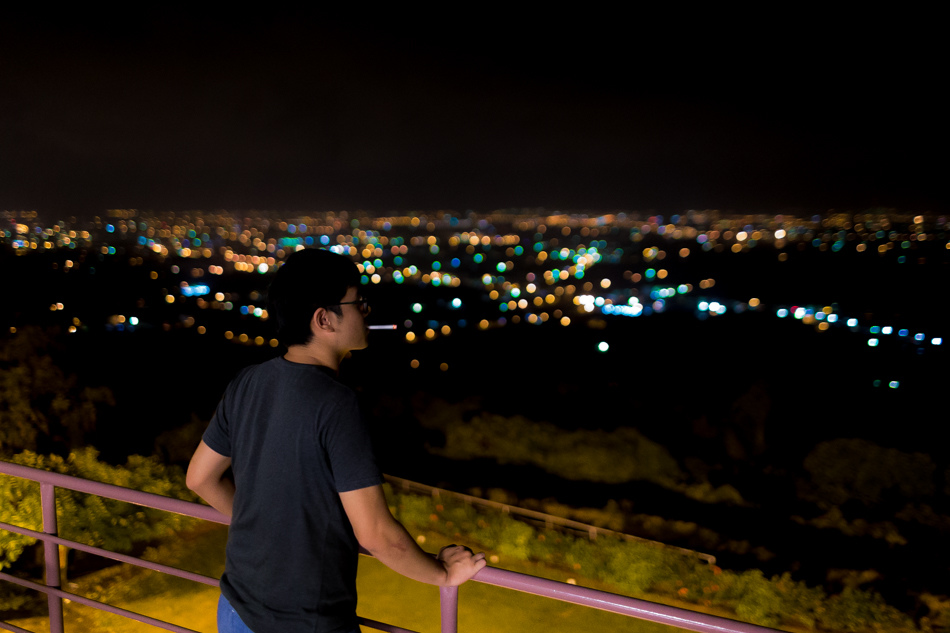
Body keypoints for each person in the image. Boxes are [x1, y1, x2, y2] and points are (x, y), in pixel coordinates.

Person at [186, 248, 486, 633]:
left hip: (235, 609)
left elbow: (199, 478)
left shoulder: (248, 381)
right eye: (358, 303)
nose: (366, 311)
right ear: (324, 319)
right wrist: (444, 575)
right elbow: (375, 534)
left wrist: (267, 532)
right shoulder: (336, 403)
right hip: (302, 621)